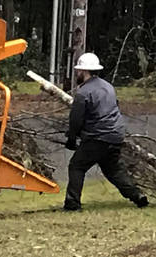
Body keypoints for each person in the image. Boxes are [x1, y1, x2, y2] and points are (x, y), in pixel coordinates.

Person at [62, 52, 149, 211]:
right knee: (114, 170)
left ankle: (72, 203)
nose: (77, 74)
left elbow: (76, 119)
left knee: (76, 166)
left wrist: (72, 138)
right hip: (115, 135)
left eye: (78, 71)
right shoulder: (108, 87)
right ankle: (137, 196)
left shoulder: (83, 92)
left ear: (84, 71)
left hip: (98, 137)